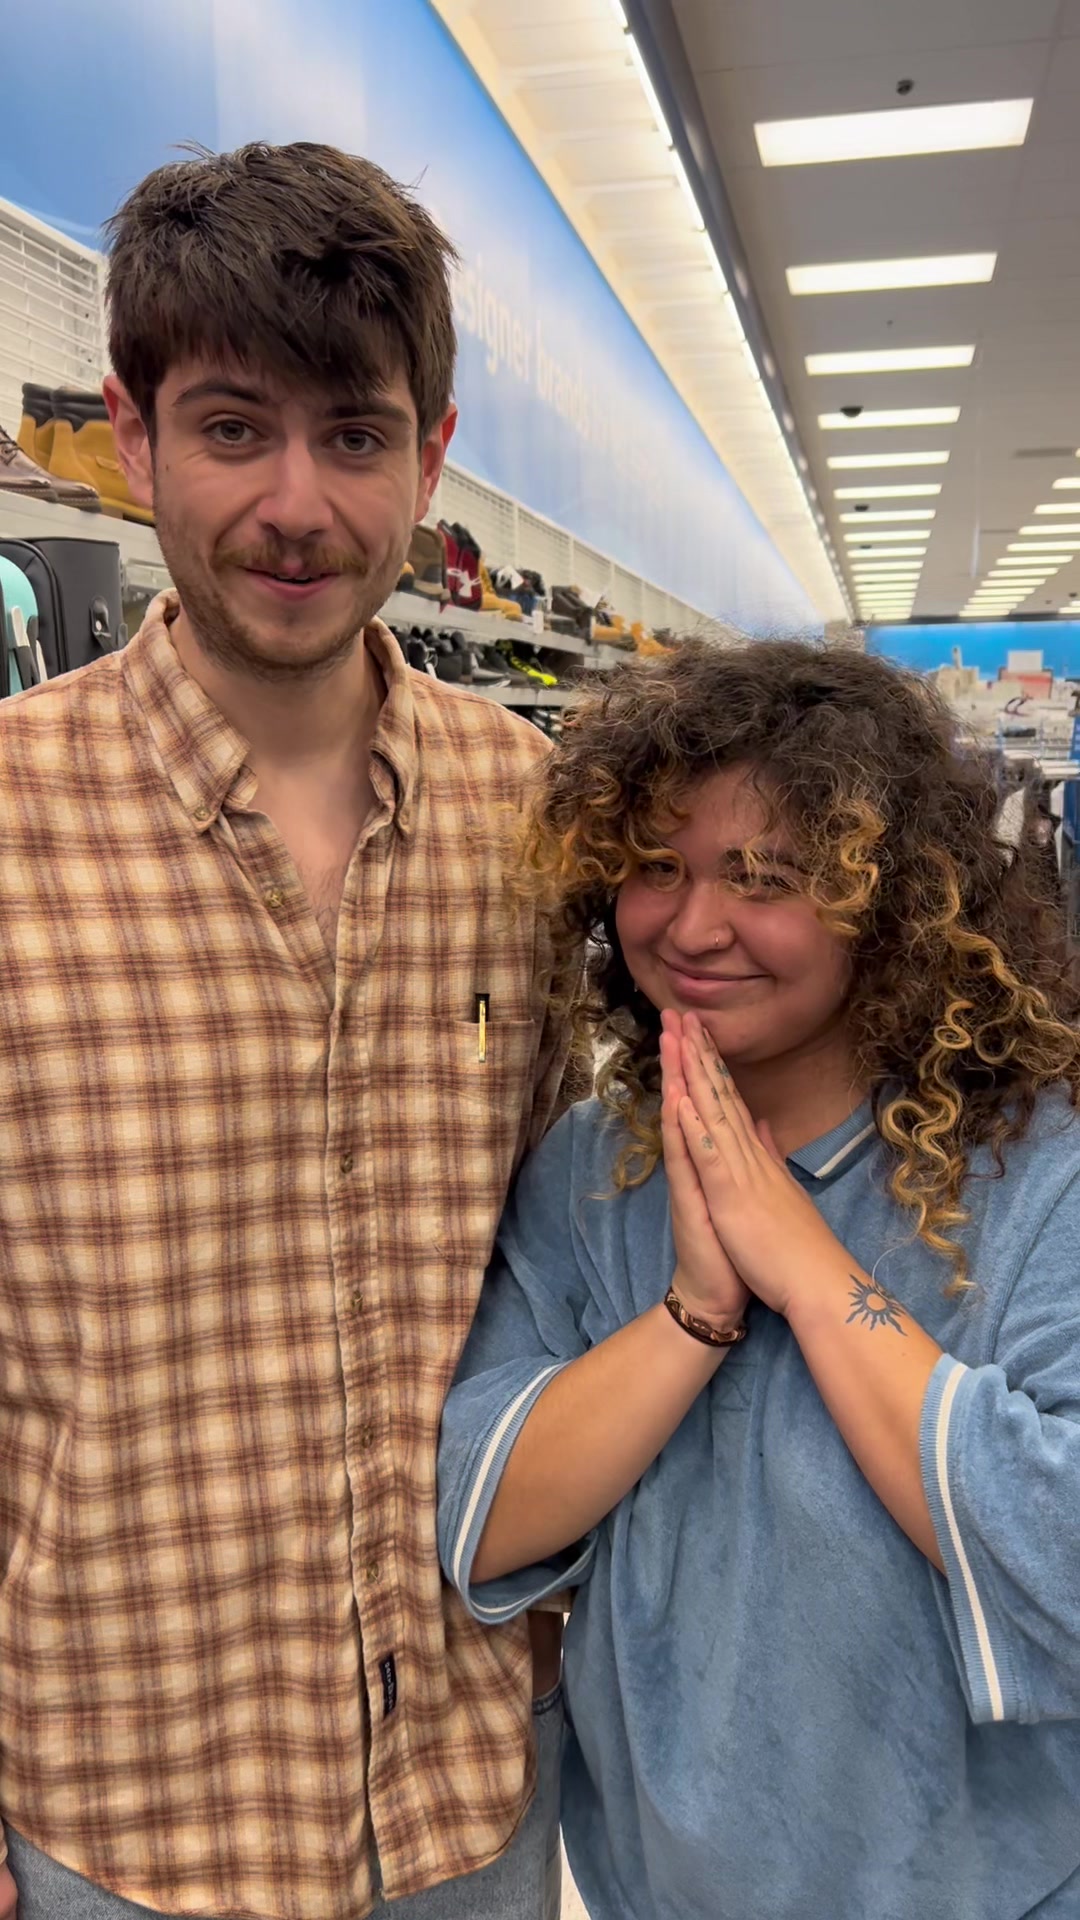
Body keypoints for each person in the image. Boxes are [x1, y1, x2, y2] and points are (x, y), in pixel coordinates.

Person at [0, 143, 580, 1920]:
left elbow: (576, 1248)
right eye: (235, 429)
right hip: (127, 1799)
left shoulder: (532, 812)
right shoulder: (15, 816)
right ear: (132, 433)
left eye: (356, 436)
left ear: (432, 454)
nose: (299, 505)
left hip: (472, 1783)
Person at [437, 638, 1080, 1920]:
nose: (692, 927)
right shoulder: (594, 1166)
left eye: (765, 878)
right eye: (655, 868)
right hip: (652, 1887)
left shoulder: (1039, 1172)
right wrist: (697, 1309)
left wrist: (807, 1265)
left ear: (887, 904)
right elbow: (484, 1515)